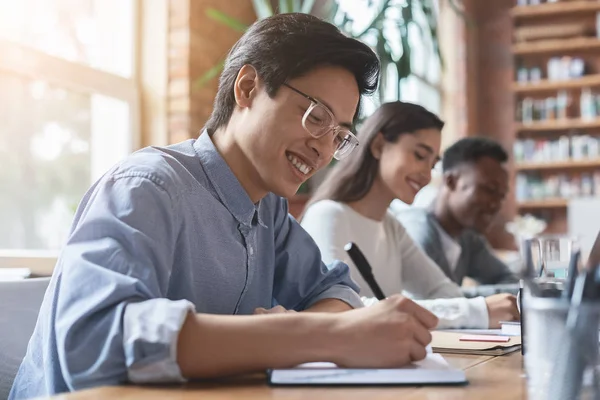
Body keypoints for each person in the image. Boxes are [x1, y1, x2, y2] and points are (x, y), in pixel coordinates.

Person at [9, 14, 439, 399]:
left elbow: (335, 289)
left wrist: (306, 330)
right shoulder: (147, 186)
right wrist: (313, 333)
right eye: (316, 117)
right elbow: (93, 342)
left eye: (339, 135)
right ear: (248, 87)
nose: (323, 148)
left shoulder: (268, 209)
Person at [301, 102, 519, 330]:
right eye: (419, 155)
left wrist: (473, 310)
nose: (426, 174)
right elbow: (340, 309)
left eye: (432, 163)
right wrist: (475, 312)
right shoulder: (328, 216)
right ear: (378, 145)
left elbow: (441, 290)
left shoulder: (392, 227)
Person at [394, 137, 519, 294]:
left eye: (501, 196)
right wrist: (486, 303)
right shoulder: (417, 232)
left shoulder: (467, 237)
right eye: (489, 190)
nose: (495, 204)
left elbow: (508, 280)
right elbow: (426, 305)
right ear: (451, 181)